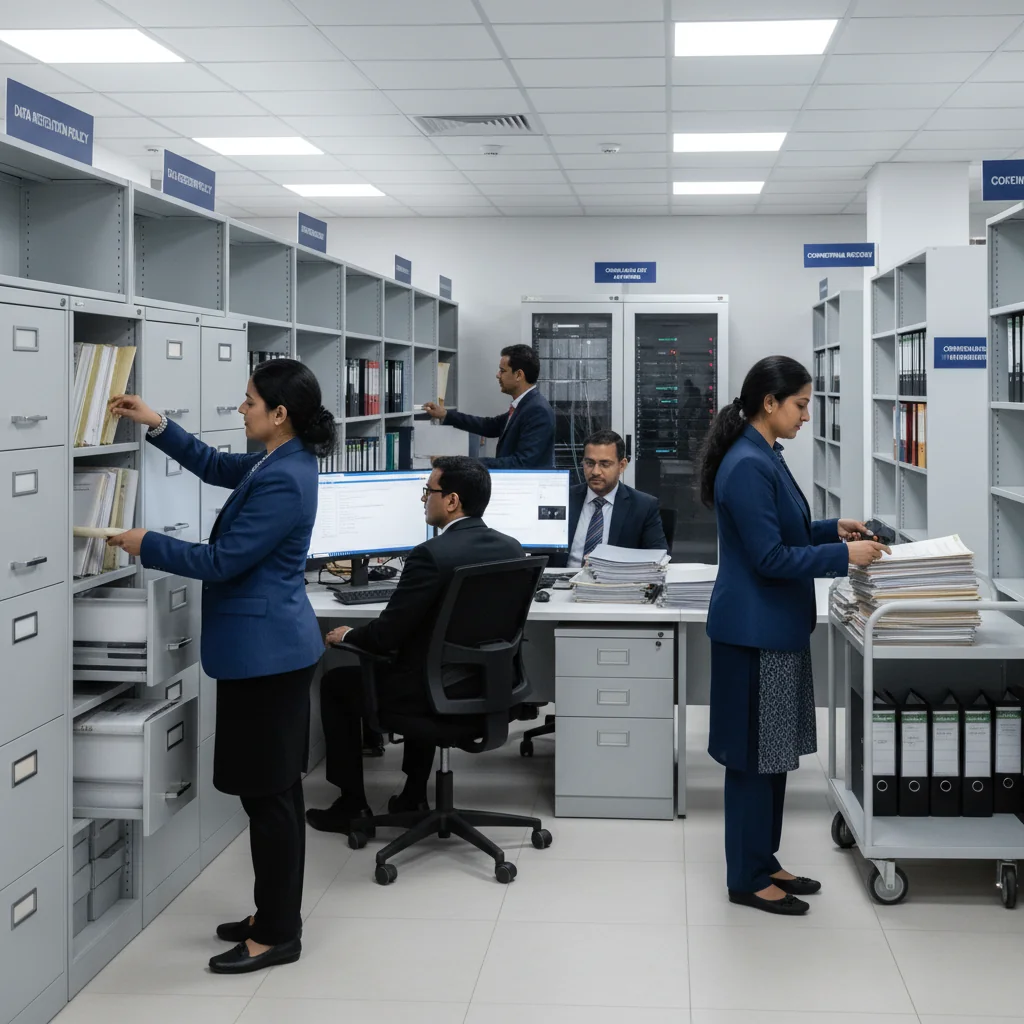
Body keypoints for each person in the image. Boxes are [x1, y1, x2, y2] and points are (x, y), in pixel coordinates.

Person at [105, 359, 336, 974]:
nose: (241, 407)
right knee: (270, 795)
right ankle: (272, 913)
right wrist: (159, 425)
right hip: (260, 655)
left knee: (271, 799)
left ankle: (278, 934)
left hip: (269, 658)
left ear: (279, 414)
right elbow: (217, 466)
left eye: (250, 400)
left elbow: (222, 561)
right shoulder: (274, 461)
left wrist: (147, 543)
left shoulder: (287, 477)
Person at [698, 355, 888, 917]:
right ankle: (745, 878)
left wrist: (833, 528)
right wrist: (843, 555)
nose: (807, 416)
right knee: (753, 760)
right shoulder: (747, 464)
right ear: (769, 403)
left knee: (773, 754)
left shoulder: (765, 456)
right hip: (753, 633)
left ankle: (764, 859)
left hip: (774, 629)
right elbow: (770, 556)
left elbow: (783, 529)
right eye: (801, 405)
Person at [307, 456, 525, 833]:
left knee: (338, 684)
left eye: (429, 491)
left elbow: (386, 635)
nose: (424, 499)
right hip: (490, 686)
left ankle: (352, 806)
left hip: (434, 693)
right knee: (422, 663)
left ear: (452, 501)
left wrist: (347, 636)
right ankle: (412, 794)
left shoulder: (430, 555)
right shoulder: (512, 548)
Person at [549, 428, 667, 569]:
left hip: (614, 584)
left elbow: (659, 560)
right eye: (590, 463)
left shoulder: (643, 506)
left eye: (604, 464)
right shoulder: (561, 498)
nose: (595, 472)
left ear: (622, 465)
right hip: (561, 583)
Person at [423, 344, 555, 468]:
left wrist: (457, 463)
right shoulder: (525, 406)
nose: (498, 375)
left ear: (519, 375)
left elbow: (520, 463)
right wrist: (445, 414)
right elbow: (488, 426)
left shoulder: (537, 410)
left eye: (502, 371)